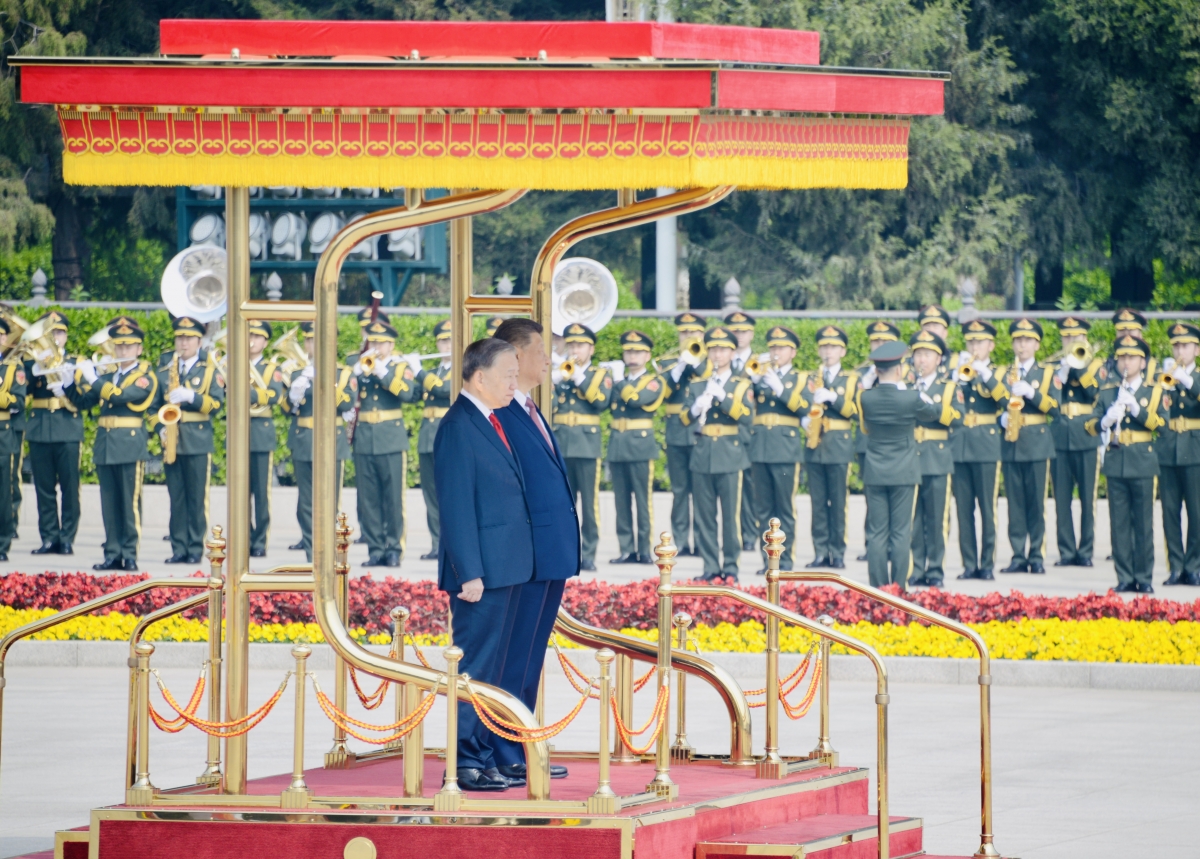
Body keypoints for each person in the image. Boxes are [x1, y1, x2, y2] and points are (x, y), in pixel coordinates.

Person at [434, 336, 533, 793]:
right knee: (475, 668)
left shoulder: (490, 420)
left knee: (492, 670)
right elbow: (455, 507)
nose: (515, 382)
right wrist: (468, 571)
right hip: (481, 574)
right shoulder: (459, 426)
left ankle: (485, 754)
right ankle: (466, 762)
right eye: (507, 374)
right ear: (478, 375)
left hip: (506, 568)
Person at [491, 318, 576, 783]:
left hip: (549, 549)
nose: (548, 358)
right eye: (540, 349)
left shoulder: (527, 407)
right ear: (516, 356)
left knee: (529, 656)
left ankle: (520, 746)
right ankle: (503, 749)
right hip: (527, 552)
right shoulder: (501, 413)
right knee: (514, 654)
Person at [60, 320, 158, 571]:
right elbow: (83, 403)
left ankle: (130, 553)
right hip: (106, 445)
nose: (123, 351)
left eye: (129, 346)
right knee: (110, 503)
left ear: (139, 349)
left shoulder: (144, 377)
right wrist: (69, 383)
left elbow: (122, 396)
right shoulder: (106, 376)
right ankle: (112, 553)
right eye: (119, 346)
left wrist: (92, 378)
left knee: (129, 503)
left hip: (129, 445)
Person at [857, 340, 953, 588]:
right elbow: (933, 413)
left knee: (877, 533)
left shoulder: (866, 399)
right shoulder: (910, 398)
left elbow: (865, 428)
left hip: (876, 471)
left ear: (876, 370)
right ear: (899, 370)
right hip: (904, 471)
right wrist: (919, 395)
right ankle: (898, 587)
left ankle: (878, 587)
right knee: (901, 533)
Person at [1090, 335, 1165, 594]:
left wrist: (1137, 410)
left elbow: (1163, 426)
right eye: (1122, 357)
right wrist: (1105, 421)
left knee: (1143, 523)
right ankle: (1124, 576)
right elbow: (1090, 424)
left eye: (1132, 357)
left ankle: (1144, 577)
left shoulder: (1154, 391)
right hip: (1116, 461)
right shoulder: (1108, 390)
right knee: (1119, 523)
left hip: (1143, 461)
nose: (1126, 362)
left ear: (1143, 362)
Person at [151, 316, 224, 564]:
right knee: (177, 498)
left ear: (199, 341)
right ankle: (178, 548)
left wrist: (192, 396)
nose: (183, 343)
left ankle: (194, 548)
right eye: (180, 338)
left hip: (197, 441)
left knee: (196, 498)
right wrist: (160, 427)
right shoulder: (163, 371)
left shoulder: (209, 370)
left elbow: (216, 404)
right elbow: (152, 408)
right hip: (171, 440)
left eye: (189, 338)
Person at [685, 326, 754, 582]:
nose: (717, 354)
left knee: (730, 517)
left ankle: (732, 567)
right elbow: (683, 418)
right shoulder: (697, 384)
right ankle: (710, 565)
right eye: (713, 349)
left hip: (729, 454)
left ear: (732, 352)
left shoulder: (741, 384)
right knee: (704, 516)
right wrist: (695, 408)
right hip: (703, 454)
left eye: (723, 349)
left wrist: (723, 397)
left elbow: (748, 417)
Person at [284, 322, 355, 561]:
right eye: (310, 340)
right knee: (305, 503)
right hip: (304, 440)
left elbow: (346, 404)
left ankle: (329, 554)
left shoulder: (343, 373)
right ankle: (311, 552)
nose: (313, 345)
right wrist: (295, 394)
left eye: (319, 340)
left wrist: (325, 379)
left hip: (331, 442)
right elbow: (286, 408)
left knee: (330, 502)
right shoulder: (297, 372)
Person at [351, 320, 419, 568]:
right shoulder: (359, 364)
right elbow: (346, 391)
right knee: (368, 499)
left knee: (393, 498)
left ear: (391, 344)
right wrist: (358, 371)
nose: (377, 346)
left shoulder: (400, 367)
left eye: (381, 342)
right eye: (374, 341)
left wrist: (382, 372)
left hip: (391, 438)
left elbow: (408, 394)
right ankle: (375, 548)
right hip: (365, 438)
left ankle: (394, 548)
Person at [748, 326, 810, 573]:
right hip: (761, 448)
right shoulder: (761, 375)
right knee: (763, 508)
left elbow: (805, 407)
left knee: (785, 507)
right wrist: (753, 381)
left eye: (781, 348)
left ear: (793, 352)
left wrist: (781, 389)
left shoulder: (801, 379)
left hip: (785, 449)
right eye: (773, 347)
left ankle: (785, 561)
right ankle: (768, 561)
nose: (776, 352)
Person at [551, 323, 612, 572]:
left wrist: (579, 377)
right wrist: (553, 382)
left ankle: (588, 553)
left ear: (591, 349)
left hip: (587, 445)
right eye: (572, 344)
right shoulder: (559, 372)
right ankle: (566, 552)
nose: (576, 350)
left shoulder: (600, 375)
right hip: (562, 442)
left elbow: (601, 402)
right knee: (563, 503)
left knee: (589, 503)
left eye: (581, 345)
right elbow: (550, 407)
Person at [1000, 318, 1059, 574]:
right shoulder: (1004, 374)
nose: (1021, 345)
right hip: (1012, 443)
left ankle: (1036, 554)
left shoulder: (1047, 374)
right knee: (1015, 504)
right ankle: (1017, 555)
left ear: (1036, 344)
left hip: (1036, 444)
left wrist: (1031, 393)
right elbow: (992, 405)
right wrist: (1000, 418)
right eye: (1017, 340)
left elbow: (1055, 408)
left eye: (1027, 340)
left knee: (1036, 502)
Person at [952, 319, 1008, 580]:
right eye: (971, 341)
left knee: (987, 508)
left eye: (980, 342)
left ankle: (986, 564)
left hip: (986, 446)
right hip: (960, 446)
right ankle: (969, 564)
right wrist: (956, 377)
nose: (975, 346)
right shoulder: (959, 370)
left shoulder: (998, 373)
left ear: (991, 345)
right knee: (964, 510)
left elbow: (1007, 400)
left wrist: (985, 374)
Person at [606, 330, 666, 564]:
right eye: (629, 351)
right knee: (621, 501)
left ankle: (643, 550)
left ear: (647, 355)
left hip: (640, 446)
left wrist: (619, 381)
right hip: (618, 444)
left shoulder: (653, 382)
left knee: (643, 501)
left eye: (638, 352)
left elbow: (636, 400)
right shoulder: (619, 380)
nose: (633, 356)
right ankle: (626, 549)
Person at [906, 331, 961, 587]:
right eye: (918, 354)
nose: (922, 360)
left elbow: (958, 419)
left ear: (939, 359)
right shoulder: (906, 387)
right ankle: (916, 568)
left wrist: (934, 407)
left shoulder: (949, 387)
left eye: (927, 355)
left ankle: (936, 570)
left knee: (937, 519)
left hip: (937, 459)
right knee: (914, 520)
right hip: (911, 458)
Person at [1049, 316, 1105, 568]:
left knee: (1087, 499)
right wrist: (1061, 372)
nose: (1071, 341)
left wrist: (1078, 366)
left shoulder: (1096, 365)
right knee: (1061, 499)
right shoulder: (1052, 365)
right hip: (1060, 437)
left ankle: (1085, 551)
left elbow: (1095, 394)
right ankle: (1066, 551)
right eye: (1067, 337)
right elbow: (1049, 400)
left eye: (1076, 337)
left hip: (1085, 436)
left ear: (1085, 339)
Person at [25, 310, 81, 555]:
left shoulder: (76, 363)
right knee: (44, 489)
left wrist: (68, 388)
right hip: (39, 430)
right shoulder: (32, 362)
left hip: (67, 429)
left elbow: (86, 399)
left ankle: (67, 537)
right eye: (51, 333)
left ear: (66, 336)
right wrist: (36, 365)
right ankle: (49, 537)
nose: (55, 337)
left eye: (59, 332)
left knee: (70, 488)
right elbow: (21, 387)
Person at [808, 325, 859, 568]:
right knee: (818, 503)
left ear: (843, 351)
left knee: (838, 503)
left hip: (838, 446)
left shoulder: (851, 380)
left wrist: (833, 398)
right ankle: (820, 551)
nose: (828, 351)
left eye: (833, 347)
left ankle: (837, 552)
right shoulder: (810, 378)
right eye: (824, 347)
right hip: (815, 445)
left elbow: (856, 411)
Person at [659, 312, 708, 557]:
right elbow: (661, 394)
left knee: (701, 491)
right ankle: (680, 540)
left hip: (700, 430)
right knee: (680, 491)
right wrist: (678, 368)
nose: (688, 337)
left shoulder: (710, 362)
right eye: (684, 333)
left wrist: (695, 361)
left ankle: (702, 541)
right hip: (677, 432)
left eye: (693, 333)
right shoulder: (669, 365)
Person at [852, 321, 900, 561]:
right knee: (872, 498)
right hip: (868, 443)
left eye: (884, 341)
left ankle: (896, 545)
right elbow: (852, 409)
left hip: (894, 443)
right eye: (875, 341)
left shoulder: (902, 373)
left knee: (897, 498)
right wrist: (867, 386)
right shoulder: (862, 375)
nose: (879, 345)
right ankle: (874, 545)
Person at [1157, 321, 1200, 586]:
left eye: (1185, 345)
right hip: (1169, 450)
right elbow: (1155, 411)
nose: (1180, 351)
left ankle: (1193, 566)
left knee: (1196, 512)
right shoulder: (1166, 378)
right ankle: (1175, 565)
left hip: (1195, 450)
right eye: (1176, 346)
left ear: (1196, 349)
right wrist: (1165, 387)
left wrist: (1189, 381)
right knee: (1170, 511)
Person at [412, 320, 453, 560]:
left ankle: (450, 546)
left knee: (449, 495)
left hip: (446, 437)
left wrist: (418, 371)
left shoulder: (460, 368)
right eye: (441, 340)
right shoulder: (434, 370)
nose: (444, 344)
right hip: (428, 437)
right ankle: (437, 544)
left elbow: (443, 390)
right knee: (431, 495)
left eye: (448, 340)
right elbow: (414, 394)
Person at [248, 321, 285, 557]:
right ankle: (244, 538)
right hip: (239, 432)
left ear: (265, 342)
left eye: (257, 336)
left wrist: (248, 392)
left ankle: (260, 540)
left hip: (261, 432)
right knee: (239, 494)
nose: (251, 340)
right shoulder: (232, 364)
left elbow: (275, 396)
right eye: (249, 335)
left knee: (261, 493)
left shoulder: (272, 369)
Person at [724, 310, 759, 550]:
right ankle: (736, 535)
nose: (739, 335)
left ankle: (751, 534)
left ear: (752, 334)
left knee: (750, 489)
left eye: (743, 331)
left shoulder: (761, 363)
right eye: (735, 331)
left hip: (751, 433)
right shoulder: (718, 362)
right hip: (727, 436)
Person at [0, 320, 27, 560]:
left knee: (3, 493)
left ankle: (2, 543)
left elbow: (19, 402)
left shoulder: (12, 368)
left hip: (2, 433)